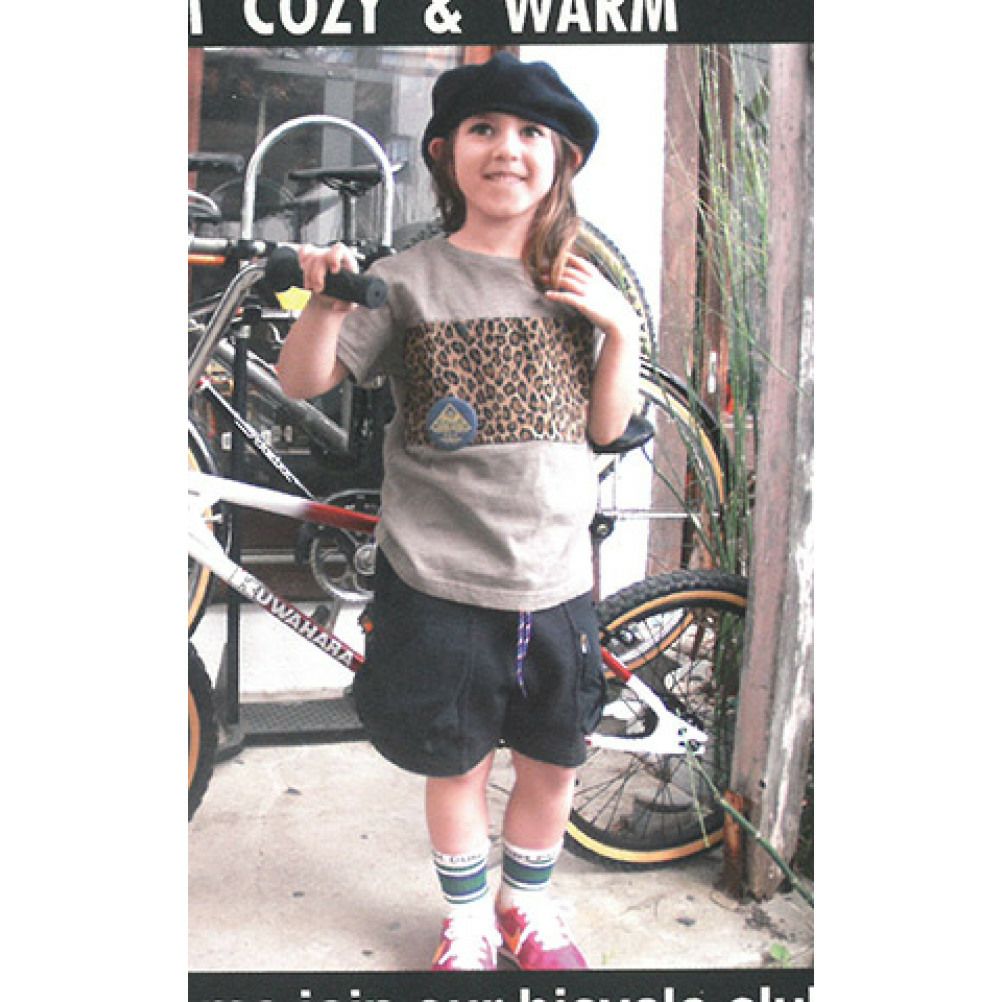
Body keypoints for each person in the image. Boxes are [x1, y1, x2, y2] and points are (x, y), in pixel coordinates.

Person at [275, 52, 640, 972]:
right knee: (458, 762)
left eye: (530, 133)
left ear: (563, 161)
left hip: (555, 577)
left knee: (553, 763)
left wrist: (623, 331)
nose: (506, 148)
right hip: (438, 578)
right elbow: (303, 379)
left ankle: (528, 906)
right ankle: (469, 917)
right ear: (445, 154)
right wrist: (322, 304)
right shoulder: (406, 277)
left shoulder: (582, 278)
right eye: (483, 129)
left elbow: (608, 428)